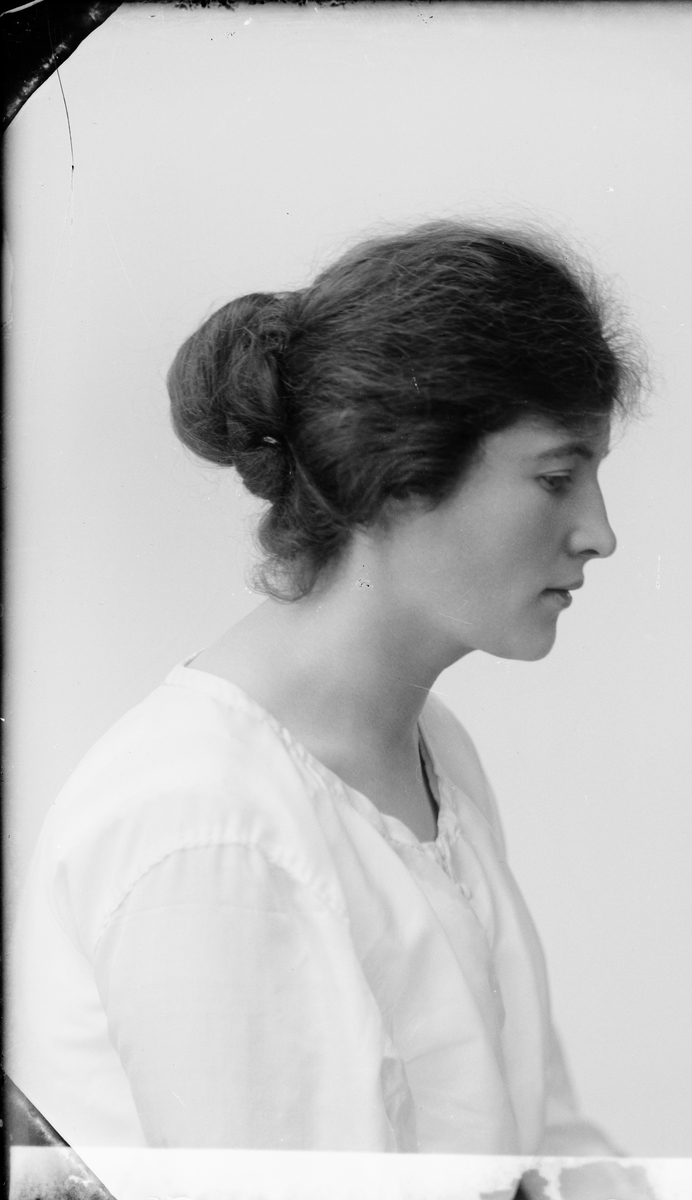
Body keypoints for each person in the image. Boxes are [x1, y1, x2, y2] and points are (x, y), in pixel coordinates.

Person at [8, 222, 644, 1155]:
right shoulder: (210, 827)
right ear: (397, 476)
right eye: (555, 478)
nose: (599, 533)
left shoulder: (429, 744)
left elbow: (540, 1146)